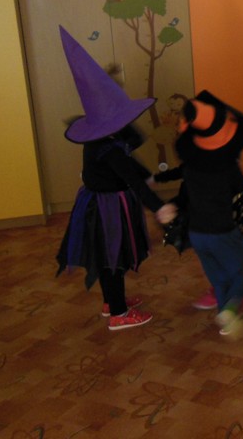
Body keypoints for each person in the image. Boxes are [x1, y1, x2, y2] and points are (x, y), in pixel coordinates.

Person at [54, 26, 177, 331]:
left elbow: (130, 158)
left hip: (99, 202)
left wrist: (146, 176)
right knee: (114, 256)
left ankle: (112, 302)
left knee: (109, 255)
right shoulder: (109, 147)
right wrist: (158, 207)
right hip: (108, 208)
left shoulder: (102, 138)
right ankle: (119, 314)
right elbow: (130, 177)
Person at [153, 90, 243, 337]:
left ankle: (225, 316)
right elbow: (240, 188)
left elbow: (184, 196)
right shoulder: (228, 166)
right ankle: (231, 310)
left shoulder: (190, 167)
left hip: (197, 234)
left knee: (219, 278)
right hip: (223, 230)